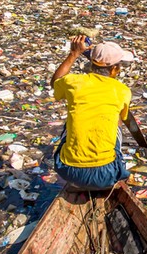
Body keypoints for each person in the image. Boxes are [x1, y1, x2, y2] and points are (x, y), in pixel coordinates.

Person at [50, 35, 134, 191]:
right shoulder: (122, 91)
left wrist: (73, 54)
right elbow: (120, 121)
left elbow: (55, 82)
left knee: (69, 126)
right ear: (115, 69)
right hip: (107, 174)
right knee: (116, 124)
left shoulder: (73, 82)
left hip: (67, 170)